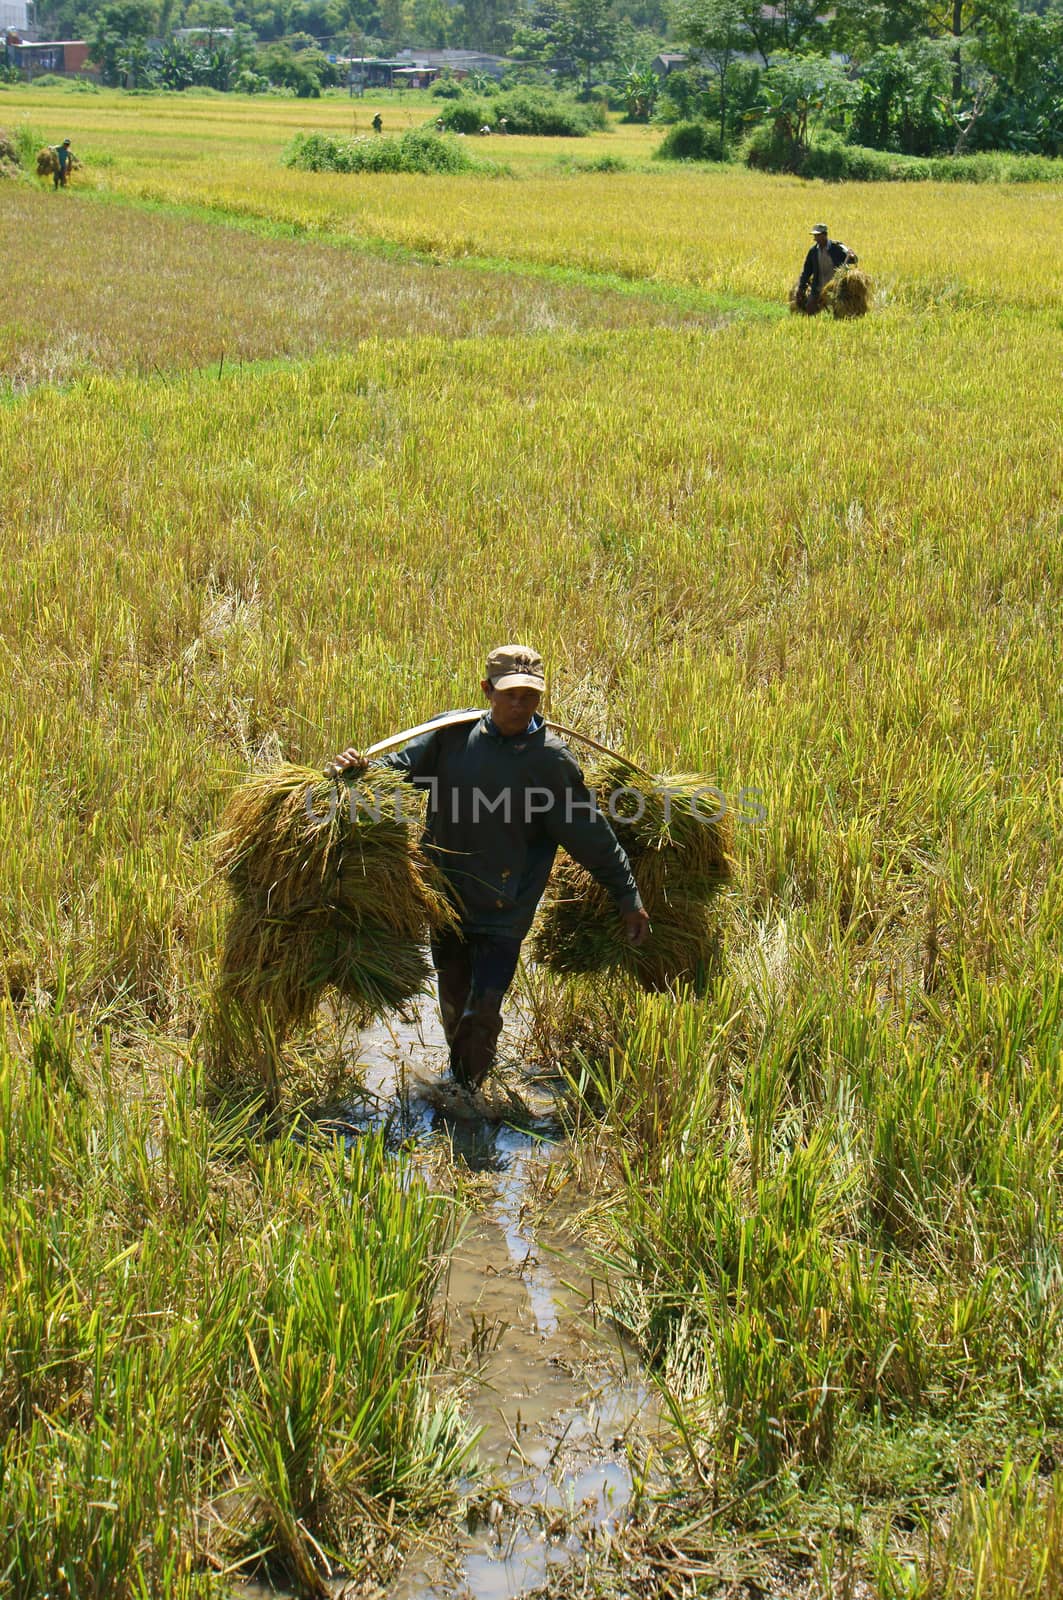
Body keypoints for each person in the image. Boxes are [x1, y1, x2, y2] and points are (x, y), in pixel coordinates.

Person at [330, 645, 651, 1090]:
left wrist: (627, 896)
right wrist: (357, 772)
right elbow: (392, 775)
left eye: (530, 697)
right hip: (446, 897)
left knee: (482, 1012)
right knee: (453, 1002)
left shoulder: (550, 761)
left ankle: (468, 1095)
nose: (520, 705)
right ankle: (464, 1084)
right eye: (510, 695)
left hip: (507, 907)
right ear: (487, 690)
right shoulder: (451, 736)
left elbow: (590, 835)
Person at [796, 223, 857, 313]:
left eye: (818, 235)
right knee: (810, 307)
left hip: (836, 287)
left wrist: (852, 256)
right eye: (815, 235)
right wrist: (801, 287)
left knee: (838, 311)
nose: (815, 238)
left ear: (825, 235)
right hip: (818, 287)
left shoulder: (836, 248)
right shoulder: (813, 252)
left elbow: (853, 260)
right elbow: (807, 271)